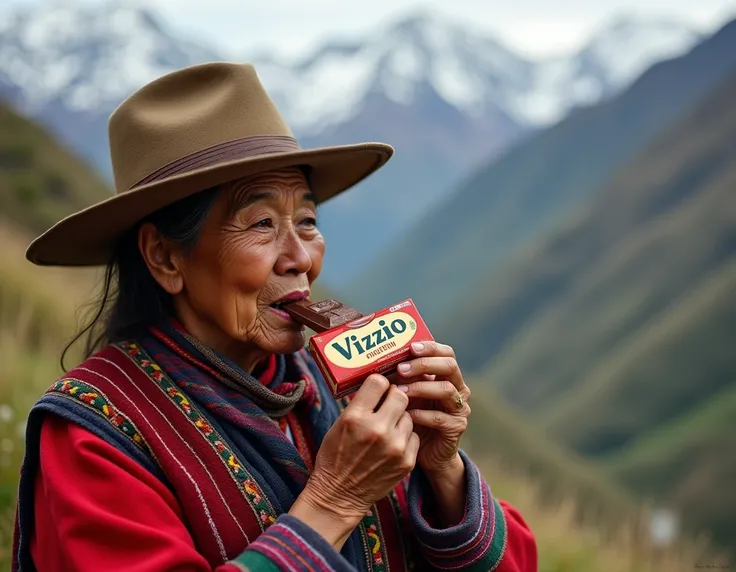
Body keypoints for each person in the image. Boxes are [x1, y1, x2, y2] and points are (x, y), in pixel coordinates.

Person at [12, 62, 537, 572]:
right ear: (166, 258)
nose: (302, 258)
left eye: (307, 220)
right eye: (261, 222)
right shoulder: (96, 434)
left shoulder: (338, 385)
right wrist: (334, 501)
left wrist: (440, 468)